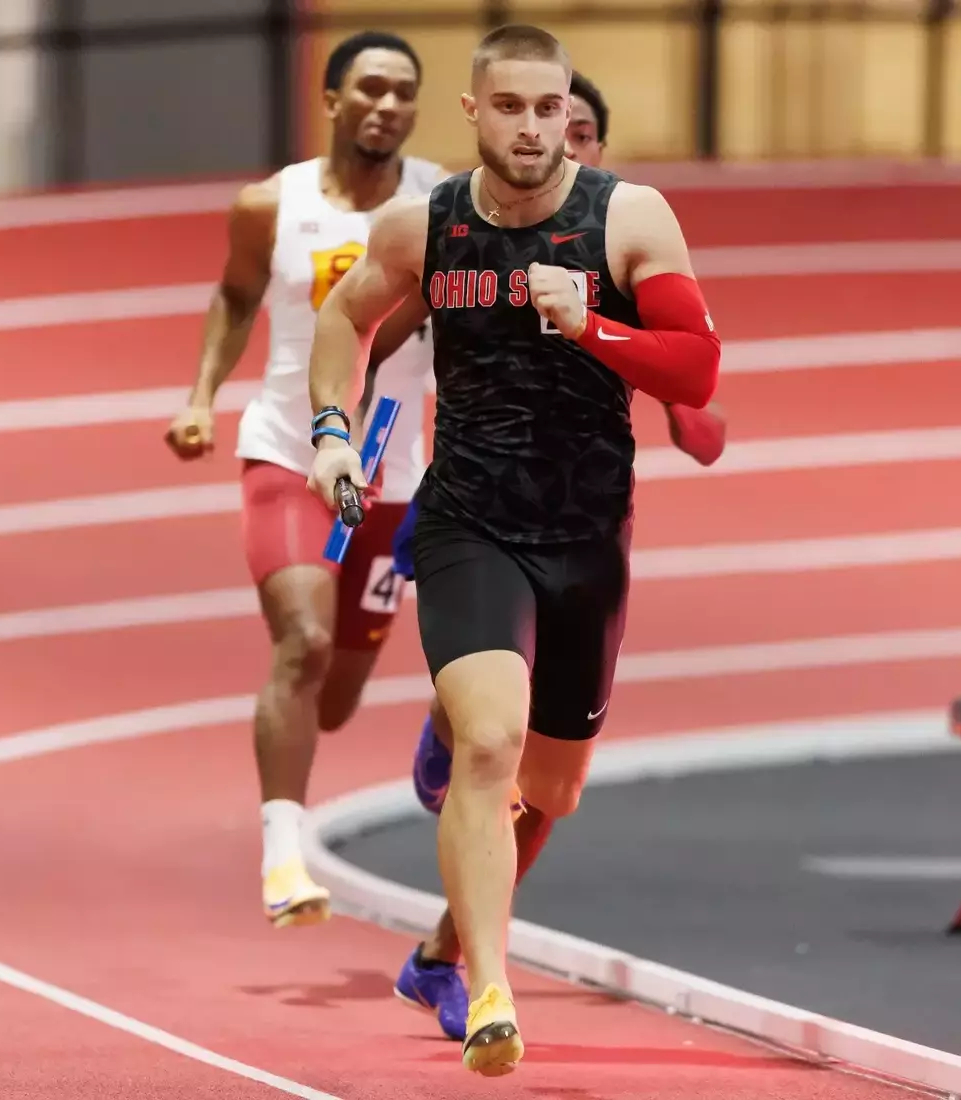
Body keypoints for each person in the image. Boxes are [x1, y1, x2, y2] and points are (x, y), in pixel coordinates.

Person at [304, 24, 721, 1076]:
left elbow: (696, 370)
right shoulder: (427, 225)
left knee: (554, 789)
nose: (533, 128)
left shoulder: (628, 217)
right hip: (469, 522)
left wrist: (592, 328)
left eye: (549, 109)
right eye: (511, 108)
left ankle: (443, 948)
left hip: (587, 536)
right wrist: (331, 431)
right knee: (491, 744)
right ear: (474, 113)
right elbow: (346, 319)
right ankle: (489, 989)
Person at [163, 30, 442, 930]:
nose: (387, 105)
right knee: (305, 645)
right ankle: (284, 857)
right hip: (290, 455)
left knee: (339, 696)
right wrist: (201, 397)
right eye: (370, 87)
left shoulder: (443, 204)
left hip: (392, 473)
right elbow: (235, 295)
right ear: (330, 100)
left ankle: (300, 764)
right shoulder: (269, 205)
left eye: (404, 91)